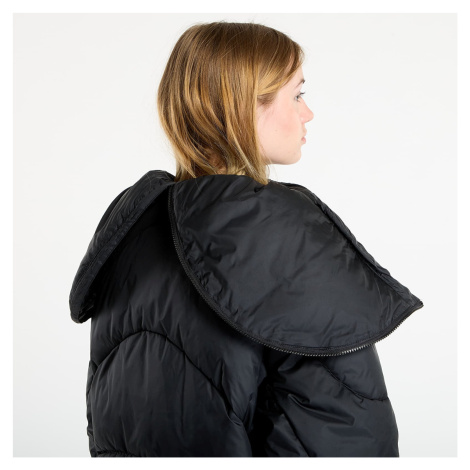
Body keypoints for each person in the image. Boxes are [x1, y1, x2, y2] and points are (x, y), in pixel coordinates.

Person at [69, 21, 423, 457]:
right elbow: (344, 429)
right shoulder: (283, 234)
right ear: (245, 105)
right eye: (297, 95)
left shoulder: (130, 233)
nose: (307, 114)